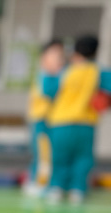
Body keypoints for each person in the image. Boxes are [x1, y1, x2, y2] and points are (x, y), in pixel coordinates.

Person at [44, 35, 111, 204]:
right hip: (86, 123)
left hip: (61, 122)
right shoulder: (99, 71)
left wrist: (49, 69)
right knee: (83, 158)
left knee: (59, 157)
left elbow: (49, 91)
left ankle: (56, 188)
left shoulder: (65, 71)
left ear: (75, 51)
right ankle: (78, 190)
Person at [22, 39, 64, 198]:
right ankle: (39, 183)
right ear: (43, 58)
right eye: (54, 55)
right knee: (42, 153)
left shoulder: (56, 75)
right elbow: (49, 93)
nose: (58, 59)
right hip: (42, 120)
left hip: (53, 121)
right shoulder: (46, 76)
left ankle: (48, 183)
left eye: (60, 56)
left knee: (51, 154)